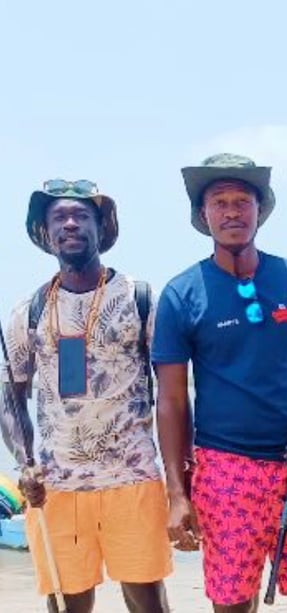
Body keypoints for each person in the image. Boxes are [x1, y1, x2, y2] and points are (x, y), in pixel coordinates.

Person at [151, 154, 287, 613]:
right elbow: (171, 400)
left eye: (243, 201)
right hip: (224, 471)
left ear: (261, 209)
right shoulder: (181, 294)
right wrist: (177, 494)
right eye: (220, 202)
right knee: (233, 601)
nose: (232, 211)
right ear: (203, 214)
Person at [0, 179, 171, 613]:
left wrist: (180, 477)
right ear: (46, 232)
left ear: (102, 226)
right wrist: (25, 463)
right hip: (56, 485)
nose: (71, 224)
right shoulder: (29, 310)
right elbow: (10, 398)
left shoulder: (140, 297)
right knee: (65, 603)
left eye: (81, 216)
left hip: (132, 477)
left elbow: (173, 392)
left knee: (147, 601)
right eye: (59, 217)